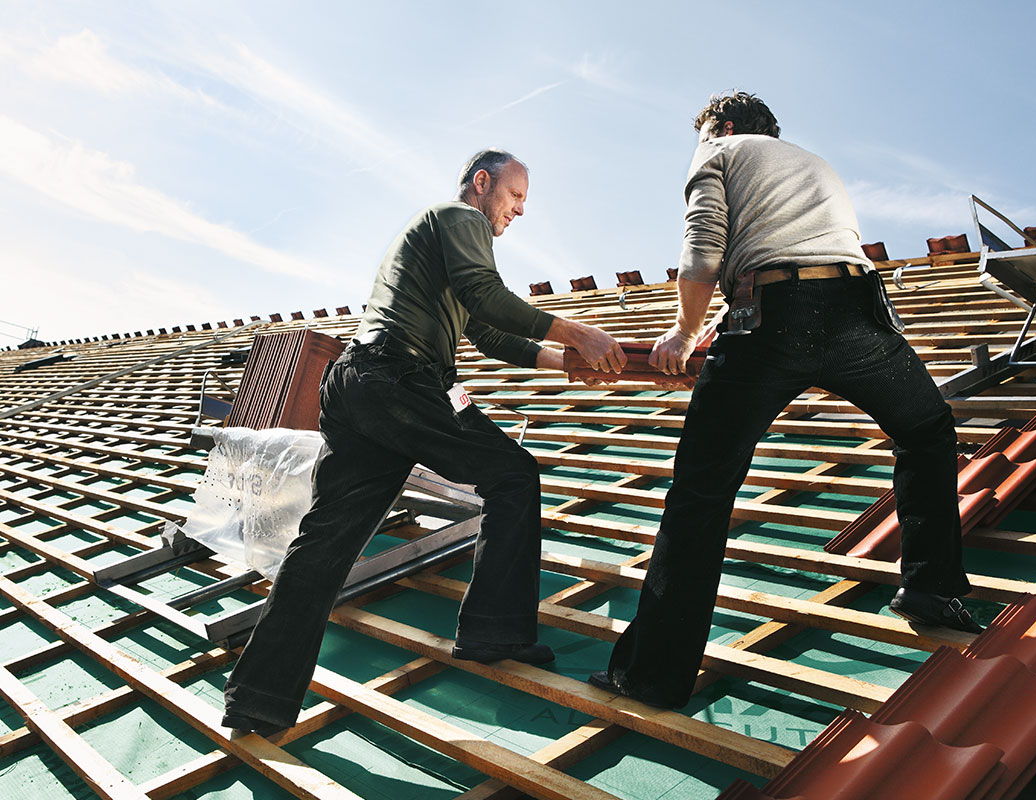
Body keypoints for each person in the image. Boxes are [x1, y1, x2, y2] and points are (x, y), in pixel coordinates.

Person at [589, 92, 980, 711]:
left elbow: (702, 255)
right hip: (861, 311)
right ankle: (932, 591)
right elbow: (791, 251)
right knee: (929, 431)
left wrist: (685, 335)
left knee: (702, 490)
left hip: (774, 317)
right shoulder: (812, 163)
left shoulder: (717, 151)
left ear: (724, 124)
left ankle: (651, 675)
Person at [223, 149, 626, 736]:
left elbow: (485, 329)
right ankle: (493, 632)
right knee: (514, 476)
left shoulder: (443, 249)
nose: (518, 211)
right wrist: (578, 331)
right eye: (514, 197)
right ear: (481, 183)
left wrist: (561, 359)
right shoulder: (460, 219)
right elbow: (487, 296)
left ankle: (257, 699)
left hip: (359, 385)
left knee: (324, 545)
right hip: (401, 378)